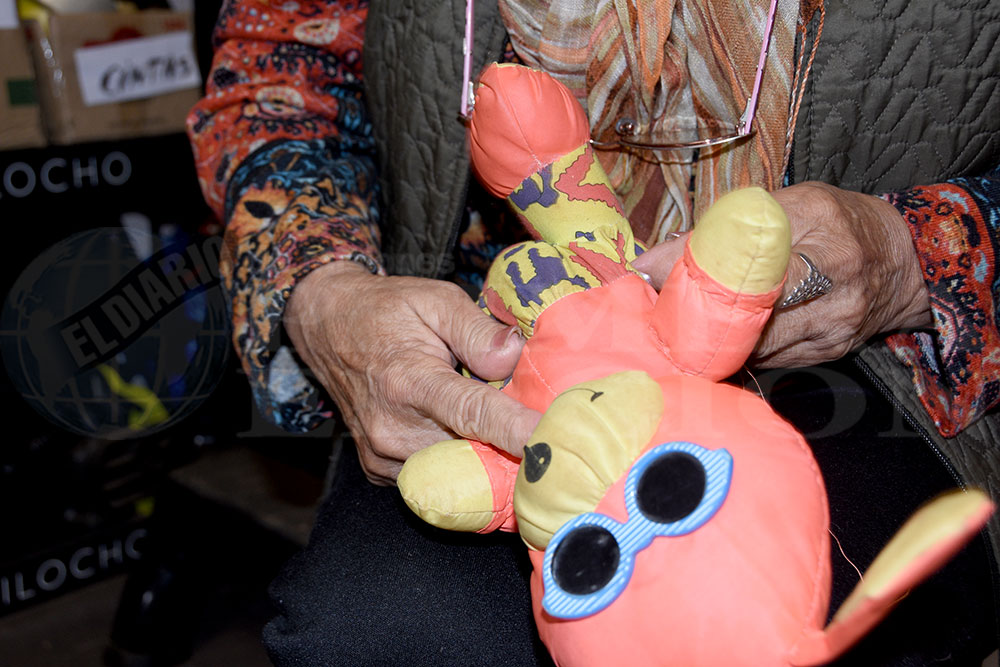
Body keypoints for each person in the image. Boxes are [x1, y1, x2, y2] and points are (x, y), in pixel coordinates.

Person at [187, 1, 1000, 665]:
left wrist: (917, 251)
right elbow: (275, 66)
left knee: (744, 624)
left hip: (877, 360)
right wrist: (324, 290)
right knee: (377, 633)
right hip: (491, 340)